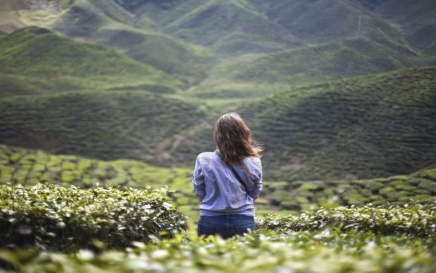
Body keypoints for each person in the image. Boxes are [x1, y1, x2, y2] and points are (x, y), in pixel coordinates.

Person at [192, 112, 263, 239]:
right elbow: (256, 190)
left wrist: (212, 204)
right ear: (243, 133)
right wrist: (241, 205)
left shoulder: (203, 159)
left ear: (218, 135)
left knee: (208, 257)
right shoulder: (254, 161)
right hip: (243, 220)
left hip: (210, 220)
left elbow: (198, 189)